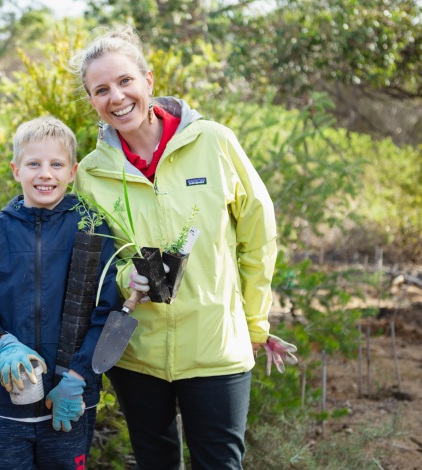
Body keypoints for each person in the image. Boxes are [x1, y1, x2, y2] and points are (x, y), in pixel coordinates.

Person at [70, 26, 278, 469]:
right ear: (92, 101)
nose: (117, 97)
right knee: (155, 462)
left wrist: (255, 322)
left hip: (216, 347)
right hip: (138, 354)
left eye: (125, 81)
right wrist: (129, 276)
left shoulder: (214, 142)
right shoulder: (89, 174)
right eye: (101, 89)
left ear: (148, 80)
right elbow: (97, 263)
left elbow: (258, 236)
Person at [0, 116, 121, 469]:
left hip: (72, 401)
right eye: (34, 164)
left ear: (73, 171)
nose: (46, 174)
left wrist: (79, 378)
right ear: (16, 170)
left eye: (56, 164)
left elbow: (109, 315)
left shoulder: (91, 229)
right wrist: (1, 342)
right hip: (9, 403)